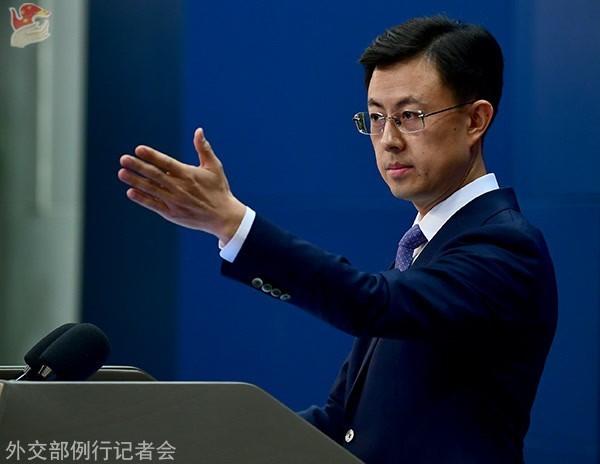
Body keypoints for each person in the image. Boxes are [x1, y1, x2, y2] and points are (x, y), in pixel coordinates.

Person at [117, 15, 557, 464]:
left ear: (475, 120)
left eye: (410, 116)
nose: (388, 140)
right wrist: (196, 443)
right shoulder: (424, 248)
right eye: (376, 118)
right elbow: (341, 423)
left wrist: (234, 225)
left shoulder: (504, 246)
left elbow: (369, 302)